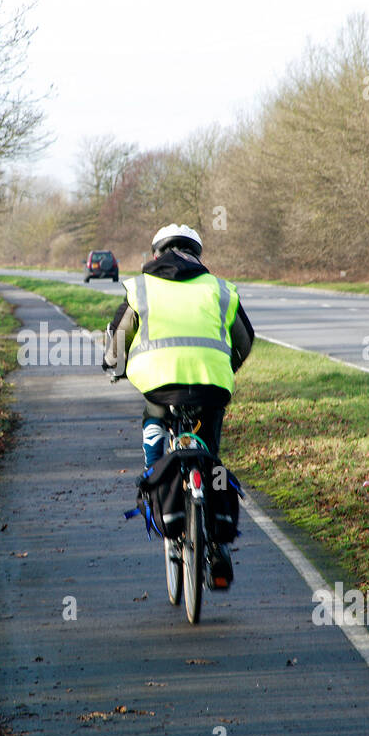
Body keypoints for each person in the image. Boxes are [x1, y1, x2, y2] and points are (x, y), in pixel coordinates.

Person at [102, 223, 254, 586]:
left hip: (160, 387)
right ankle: (218, 545)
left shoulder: (141, 288)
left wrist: (114, 367)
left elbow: (117, 341)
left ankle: (155, 485)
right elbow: (245, 342)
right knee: (211, 458)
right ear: (198, 256)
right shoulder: (220, 289)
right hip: (210, 388)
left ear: (156, 254)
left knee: (154, 421)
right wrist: (223, 368)